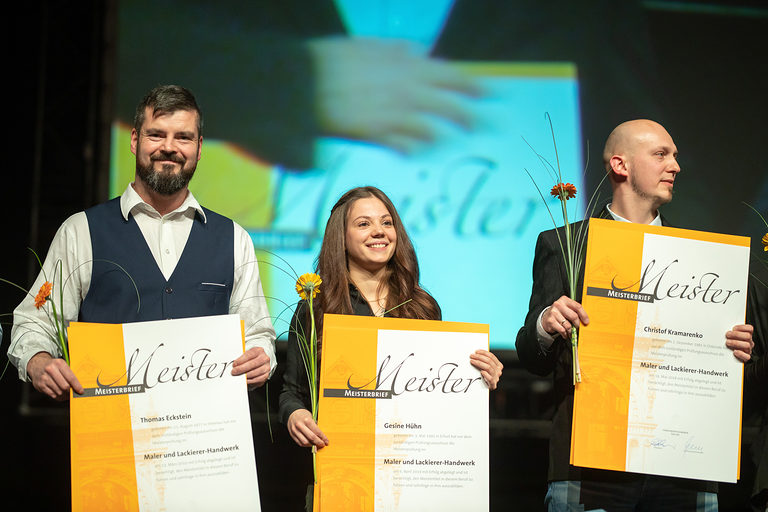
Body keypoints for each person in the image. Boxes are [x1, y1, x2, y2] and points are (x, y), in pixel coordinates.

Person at [515, 119, 756, 511]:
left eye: (675, 156)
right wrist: (546, 324)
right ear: (620, 165)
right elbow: (530, 357)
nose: (675, 166)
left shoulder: (699, 260)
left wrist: (733, 347)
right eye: (661, 154)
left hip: (683, 469)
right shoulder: (566, 244)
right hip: (591, 473)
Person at [8, 85, 276, 400]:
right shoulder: (81, 231)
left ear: (199, 147)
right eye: (157, 135)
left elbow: (258, 335)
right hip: (112, 433)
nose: (170, 147)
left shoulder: (234, 239)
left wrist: (262, 359)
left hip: (204, 440)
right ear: (135, 141)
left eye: (183, 137)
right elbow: (33, 322)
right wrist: (38, 361)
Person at [279, 185, 503, 449]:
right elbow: (292, 392)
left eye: (387, 222)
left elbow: (438, 391)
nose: (379, 231)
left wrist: (479, 375)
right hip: (342, 460)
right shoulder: (317, 307)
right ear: (341, 237)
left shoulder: (422, 307)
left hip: (410, 463)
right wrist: (296, 414)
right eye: (363, 223)